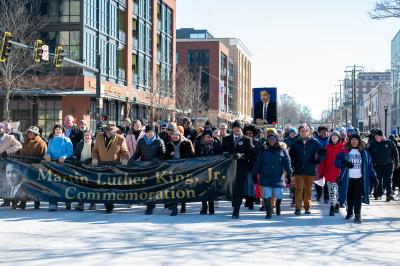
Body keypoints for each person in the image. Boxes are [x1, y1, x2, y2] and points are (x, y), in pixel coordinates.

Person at [335, 134, 376, 224]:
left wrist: (374, 176)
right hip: (348, 179)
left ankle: (358, 215)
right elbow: (337, 162)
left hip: (359, 179)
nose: (354, 141)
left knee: (357, 197)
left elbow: (369, 166)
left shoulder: (364, 153)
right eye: (352, 140)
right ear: (350, 141)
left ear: (359, 141)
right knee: (349, 197)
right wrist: (344, 163)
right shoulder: (345, 151)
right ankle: (350, 212)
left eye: (356, 140)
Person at [253, 132, 292, 219]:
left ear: (276, 140)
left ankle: (277, 206)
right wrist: (254, 172)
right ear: (267, 140)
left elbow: (287, 162)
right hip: (265, 175)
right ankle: (268, 212)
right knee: (267, 194)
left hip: (278, 176)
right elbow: (258, 162)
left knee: (279, 194)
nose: (271, 141)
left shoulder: (282, 149)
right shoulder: (263, 149)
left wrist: (289, 174)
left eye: (273, 139)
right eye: (270, 139)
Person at [92, 122, 129, 213]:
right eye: (109, 130)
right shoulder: (99, 136)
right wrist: (94, 158)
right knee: (103, 186)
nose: (110, 132)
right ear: (105, 130)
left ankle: (109, 205)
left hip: (114, 166)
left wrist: (125, 159)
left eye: (113, 131)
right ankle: (107, 204)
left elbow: (125, 152)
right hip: (101, 166)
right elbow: (95, 150)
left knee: (111, 187)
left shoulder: (121, 138)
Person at [289, 123, 325, 216]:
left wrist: (317, 161)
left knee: (308, 190)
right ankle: (297, 208)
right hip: (298, 170)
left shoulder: (314, 142)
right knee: (299, 189)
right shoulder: (295, 142)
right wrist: (292, 166)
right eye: (301, 131)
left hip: (310, 169)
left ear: (309, 132)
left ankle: (307, 208)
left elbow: (322, 153)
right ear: (299, 132)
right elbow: (290, 156)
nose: (303, 133)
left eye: (305, 131)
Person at [129, 124, 166, 215]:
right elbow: (137, 153)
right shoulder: (141, 141)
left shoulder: (159, 141)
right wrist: (132, 159)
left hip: (155, 168)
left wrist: (158, 158)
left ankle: (150, 206)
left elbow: (163, 154)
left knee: (153, 187)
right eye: (147, 132)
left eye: (151, 132)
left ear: (154, 132)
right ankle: (149, 204)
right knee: (146, 187)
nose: (149, 134)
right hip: (144, 167)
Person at [221, 120, 254, 219]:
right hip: (229, 168)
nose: (237, 130)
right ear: (233, 129)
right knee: (232, 188)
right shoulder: (226, 139)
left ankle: (236, 210)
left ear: (241, 129)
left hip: (241, 168)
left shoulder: (247, 139)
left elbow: (251, 154)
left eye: (238, 128)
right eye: (235, 128)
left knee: (239, 188)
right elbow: (221, 151)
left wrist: (242, 156)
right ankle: (234, 202)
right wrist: (225, 153)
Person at [165, 129, 194, 216]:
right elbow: (165, 157)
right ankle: (174, 208)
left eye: (176, 135)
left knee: (183, 187)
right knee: (173, 189)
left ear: (180, 136)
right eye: (173, 135)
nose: (175, 137)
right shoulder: (169, 145)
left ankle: (183, 206)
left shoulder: (186, 143)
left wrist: (183, 158)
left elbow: (191, 155)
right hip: (172, 170)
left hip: (183, 169)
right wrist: (170, 155)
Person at [45, 124, 74, 212]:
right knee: (53, 183)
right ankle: (53, 203)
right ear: (54, 131)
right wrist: (48, 155)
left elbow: (70, 152)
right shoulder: (51, 140)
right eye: (56, 129)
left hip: (64, 165)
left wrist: (64, 156)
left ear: (62, 131)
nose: (58, 131)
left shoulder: (67, 140)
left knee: (64, 183)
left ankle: (67, 201)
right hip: (53, 165)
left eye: (59, 129)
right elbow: (48, 151)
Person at [19, 126, 47, 209]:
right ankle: (23, 203)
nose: (29, 134)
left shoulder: (41, 143)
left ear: (36, 134)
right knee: (23, 184)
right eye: (28, 132)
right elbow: (22, 154)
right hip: (26, 167)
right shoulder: (25, 142)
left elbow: (44, 156)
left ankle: (36, 202)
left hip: (36, 167)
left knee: (35, 185)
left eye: (31, 132)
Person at [195, 129, 222, 215]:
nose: (207, 138)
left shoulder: (216, 144)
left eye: (208, 137)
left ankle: (211, 207)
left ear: (211, 137)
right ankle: (204, 207)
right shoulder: (200, 145)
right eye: (205, 137)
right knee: (203, 188)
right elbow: (196, 156)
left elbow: (219, 156)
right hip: (202, 170)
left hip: (213, 169)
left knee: (211, 188)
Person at [367, 129, 400, 201]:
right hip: (376, 165)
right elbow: (367, 153)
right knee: (378, 180)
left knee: (388, 180)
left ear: (382, 136)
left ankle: (389, 195)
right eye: (376, 137)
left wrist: (397, 162)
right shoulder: (372, 144)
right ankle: (378, 195)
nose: (377, 138)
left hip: (388, 165)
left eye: (378, 136)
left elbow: (395, 152)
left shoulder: (389, 143)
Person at [319, 131, 344, 216]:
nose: (334, 137)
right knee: (332, 190)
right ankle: (332, 207)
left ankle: (336, 204)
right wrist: (321, 172)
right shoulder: (327, 147)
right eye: (333, 136)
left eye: (336, 136)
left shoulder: (342, 147)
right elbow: (323, 161)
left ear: (339, 138)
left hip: (339, 173)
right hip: (329, 172)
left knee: (337, 191)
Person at [0, 122, 23, 208]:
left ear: (3, 129)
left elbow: (19, 145)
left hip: (8, 162)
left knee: (10, 182)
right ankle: (6, 201)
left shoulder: (9, 137)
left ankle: (14, 201)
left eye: (0, 129)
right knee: (2, 182)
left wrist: (7, 151)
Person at [73, 129, 96, 211]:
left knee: (92, 186)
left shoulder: (94, 144)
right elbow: (76, 154)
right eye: (85, 135)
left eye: (88, 135)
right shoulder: (80, 144)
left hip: (91, 168)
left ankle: (92, 204)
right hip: (81, 167)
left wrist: (89, 161)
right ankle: (80, 204)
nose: (87, 136)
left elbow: (96, 156)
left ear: (91, 136)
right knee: (81, 186)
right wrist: (75, 159)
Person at [243, 125, 259, 210]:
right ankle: (247, 198)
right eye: (247, 133)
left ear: (253, 134)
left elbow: (257, 153)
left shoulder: (256, 142)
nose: (248, 134)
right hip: (243, 166)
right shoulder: (242, 141)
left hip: (252, 166)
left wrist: (251, 144)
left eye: (250, 133)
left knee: (250, 184)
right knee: (245, 184)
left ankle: (251, 200)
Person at [316, 126, 329, 203]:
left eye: (325, 131)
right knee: (318, 179)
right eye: (322, 132)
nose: (324, 133)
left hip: (328, 162)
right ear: (319, 132)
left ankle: (326, 196)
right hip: (319, 162)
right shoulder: (316, 140)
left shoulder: (330, 140)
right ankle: (319, 195)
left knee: (327, 180)